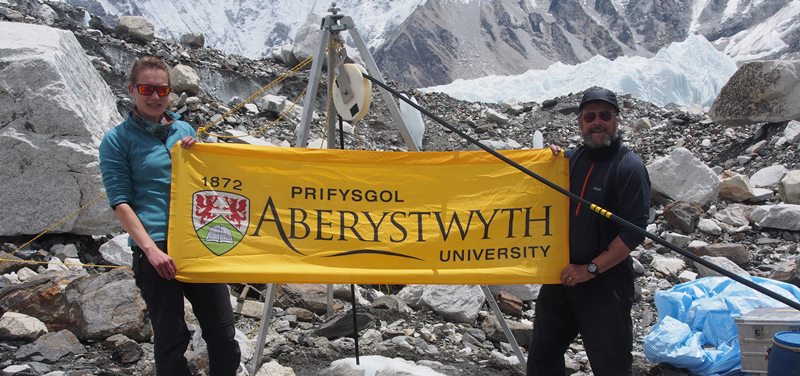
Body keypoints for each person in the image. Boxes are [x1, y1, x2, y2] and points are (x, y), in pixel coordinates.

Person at [99, 56, 241, 375]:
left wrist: (201, 154)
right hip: (156, 250)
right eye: (147, 88)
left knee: (223, 334)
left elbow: (208, 184)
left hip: (198, 244)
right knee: (170, 340)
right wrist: (150, 251)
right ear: (131, 90)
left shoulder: (184, 129)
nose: (155, 96)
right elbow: (120, 202)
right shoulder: (116, 141)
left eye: (162, 89)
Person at [527, 87, 651, 375]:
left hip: (605, 285)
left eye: (605, 115)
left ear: (616, 120)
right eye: (590, 116)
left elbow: (633, 234)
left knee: (611, 366)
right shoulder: (570, 161)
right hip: (561, 279)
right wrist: (549, 158)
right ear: (581, 123)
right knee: (542, 360)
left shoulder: (629, 167)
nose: (597, 122)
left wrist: (590, 269)